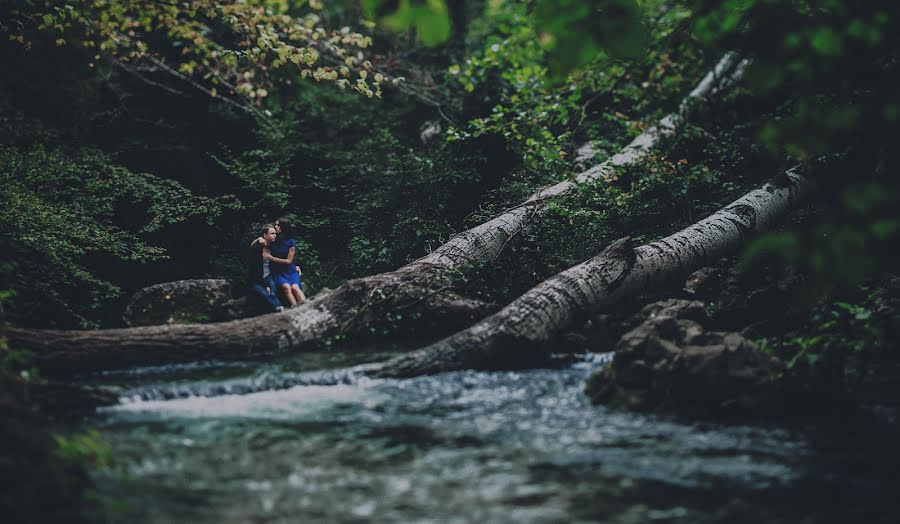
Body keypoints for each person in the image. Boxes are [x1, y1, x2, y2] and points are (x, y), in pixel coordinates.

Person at [266, 217, 306, 307]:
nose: (275, 227)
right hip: (278, 271)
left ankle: (307, 307)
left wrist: (272, 258)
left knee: (295, 287)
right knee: (286, 287)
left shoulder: (291, 242)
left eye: (278, 225)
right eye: (275, 224)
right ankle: (295, 309)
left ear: (284, 227)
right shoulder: (273, 239)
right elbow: (257, 245)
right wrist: (259, 240)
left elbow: (289, 261)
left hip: (289, 270)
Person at [248, 225, 283, 313]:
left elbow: (284, 256)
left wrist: (295, 267)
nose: (275, 235)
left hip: (268, 275)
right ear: (265, 235)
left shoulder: (273, 247)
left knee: (273, 292)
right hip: (256, 279)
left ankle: (279, 308)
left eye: (275, 233)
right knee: (265, 293)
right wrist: (265, 285)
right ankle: (279, 308)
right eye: (272, 233)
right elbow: (256, 270)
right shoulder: (256, 248)